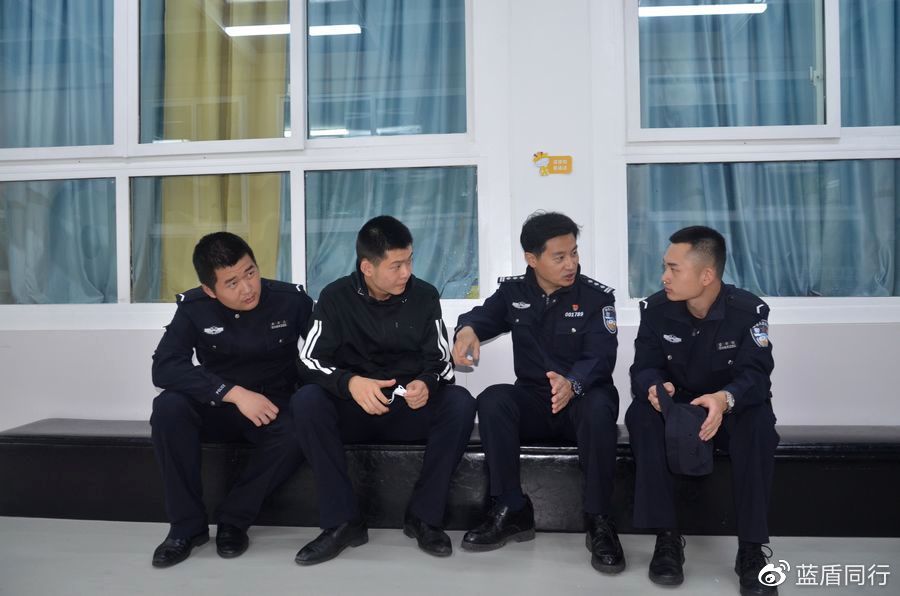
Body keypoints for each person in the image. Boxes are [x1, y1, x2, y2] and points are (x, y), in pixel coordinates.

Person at [291, 215, 476, 565]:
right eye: (396, 265)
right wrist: (349, 383)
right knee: (307, 401)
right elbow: (308, 361)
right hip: (355, 409)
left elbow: (441, 362)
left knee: (460, 403)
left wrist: (427, 383)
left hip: (408, 408)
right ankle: (343, 522)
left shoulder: (424, 295)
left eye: (409, 261)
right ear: (367, 267)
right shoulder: (334, 297)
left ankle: (424, 517)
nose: (407, 272)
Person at [452, 211, 625, 574]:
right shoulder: (514, 293)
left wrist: (572, 383)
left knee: (599, 406)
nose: (571, 264)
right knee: (494, 399)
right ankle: (511, 508)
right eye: (559, 257)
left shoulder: (595, 298)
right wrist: (466, 330)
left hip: (582, 400)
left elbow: (601, 356)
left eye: (574, 253)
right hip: (535, 399)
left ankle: (599, 520)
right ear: (532, 259)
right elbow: (482, 316)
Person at [627, 225, 779, 595]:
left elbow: (756, 375)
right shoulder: (656, 310)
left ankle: (751, 550)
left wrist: (725, 399)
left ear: (707, 275)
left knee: (758, 421)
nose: (664, 277)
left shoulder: (747, 312)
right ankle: (667, 539)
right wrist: (654, 386)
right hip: (678, 407)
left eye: (673, 269)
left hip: (727, 408)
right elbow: (643, 366)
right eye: (664, 267)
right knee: (641, 415)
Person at [149, 232, 313, 568]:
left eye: (250, 273)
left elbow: (322, 354)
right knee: (168, 407)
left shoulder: (290, 300)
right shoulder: (194, 308)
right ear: (210, 290)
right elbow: (165, 367)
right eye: (232, 283)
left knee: (303, 422)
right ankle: (186, 528)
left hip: (271, 407)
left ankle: (234, 520)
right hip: (219, 404)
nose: (248, 288)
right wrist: (233, 393)